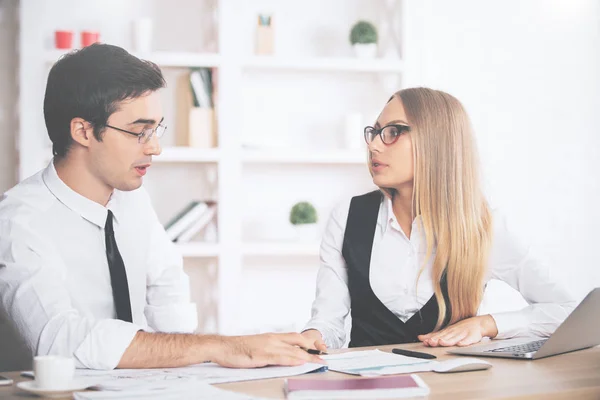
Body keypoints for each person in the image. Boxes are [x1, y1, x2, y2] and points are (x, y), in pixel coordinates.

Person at [0, 44, 322, 372]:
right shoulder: (20, 221)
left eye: (155, 130)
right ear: (83, 131)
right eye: (140, 132)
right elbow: (58, 340)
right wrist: (218, 346)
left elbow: (167, 282)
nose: (155, 147)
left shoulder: (131, 197)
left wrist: (187, 367)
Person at [301, 87, 577, 351]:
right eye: (374, 132)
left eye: (393, 131)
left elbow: (568, 310)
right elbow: (328, 322)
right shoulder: (347, 216)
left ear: (436, 141)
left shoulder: (481, 226)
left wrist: (488, 324)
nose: (373, 145)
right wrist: (312, 338)